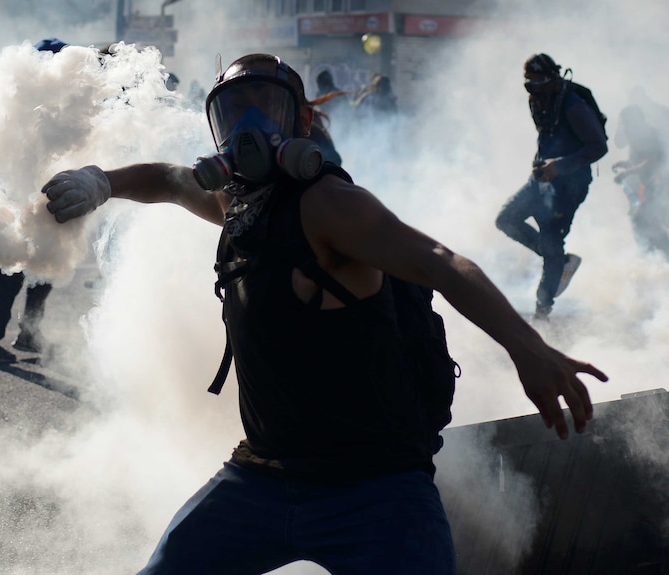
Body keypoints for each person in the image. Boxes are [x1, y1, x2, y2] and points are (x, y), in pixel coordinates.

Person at [40, 53, 607, 574]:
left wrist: (529, 349)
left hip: (376, 492)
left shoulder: (330, 206)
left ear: (302, 125)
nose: (248, 128)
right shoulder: (237, 205)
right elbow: (166, 179)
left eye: (267, 109)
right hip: (260, 478)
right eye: (234, 111)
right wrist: (101, 182)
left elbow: (440, 262)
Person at [0, 38, 68, 364]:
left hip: (37, 202)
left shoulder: (46, 103)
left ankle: (29, 334)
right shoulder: (17, 104)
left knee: (43, 272)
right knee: (10, 273)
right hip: (15, 201)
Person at [495, 54, 608, 321]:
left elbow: (598, 147)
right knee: (506, 219)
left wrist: (560, 166)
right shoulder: (538, 99)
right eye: (529, 83)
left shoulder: (573, 105)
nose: (533, 89)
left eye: (538, 82)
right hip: (542, 179)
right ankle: (560, 260)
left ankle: (542, 313)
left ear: (554, 79)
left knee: (551, 240)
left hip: (570, 185)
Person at [612, 105, 669, 256]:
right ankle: (654, 255)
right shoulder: (639, 136)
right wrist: (624, 164)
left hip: (660, 184)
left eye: (627, 122)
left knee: (642, 219)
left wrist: (626, 173)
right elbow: (640, 160)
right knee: (646, 220)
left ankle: (661, 254)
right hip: (651, 185)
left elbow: (651, 162)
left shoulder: (649, 134)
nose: (625, 127)